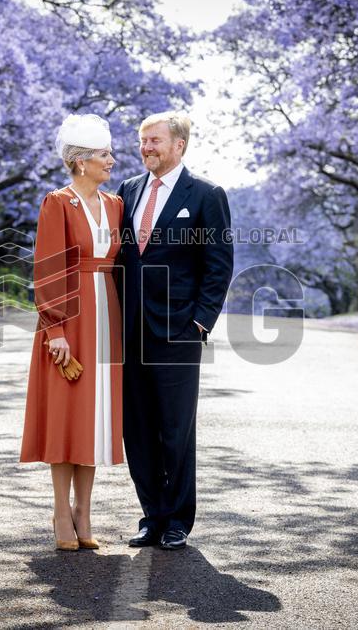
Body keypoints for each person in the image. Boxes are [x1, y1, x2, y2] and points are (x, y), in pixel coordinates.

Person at [116, 111, 233, 551]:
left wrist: (200, 322)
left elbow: (218, 265)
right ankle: (153, 516)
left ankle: (179, 519)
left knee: (176, 428)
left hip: (179, 332)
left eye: (155, 141)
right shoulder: (127, 191)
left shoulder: (205, 194)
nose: (146, 148)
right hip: (129, 332)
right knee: (138, 428)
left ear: (179, 144)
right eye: (143, 141)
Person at [20, 114, 124, 551]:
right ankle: (61, 510)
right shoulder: (57, 203)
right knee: (66, 415)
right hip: (69, 320)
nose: (112, 161)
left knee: (95, 419)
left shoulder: (116, 205)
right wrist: (55, 328)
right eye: (104, 155)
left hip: (108, 317)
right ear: (80, 162)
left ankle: (85, 511)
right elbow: (47, 268)